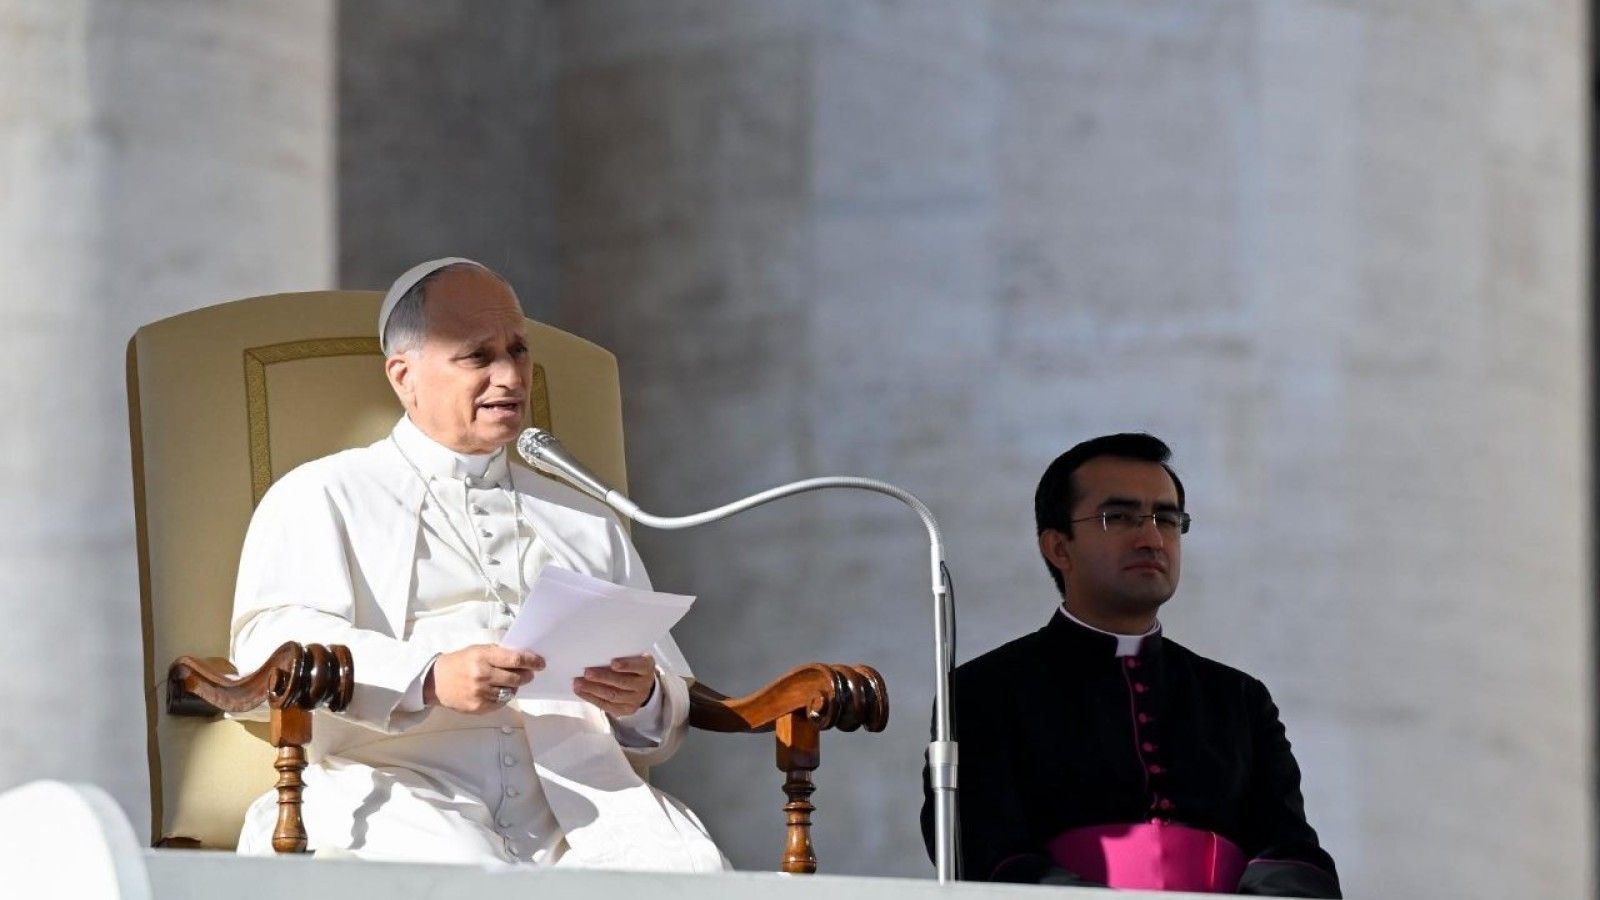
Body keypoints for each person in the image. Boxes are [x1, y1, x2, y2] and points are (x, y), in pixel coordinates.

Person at [230, 257, 725, 871]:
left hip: (578, 798)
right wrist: (428, 676)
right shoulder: (324, 494)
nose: (511, 375)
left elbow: (668, 706)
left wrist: (642, 694)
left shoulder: (582, 514)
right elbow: (268, 648)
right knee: (460, 874)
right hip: (398, 782)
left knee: (686, 872)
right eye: (477, 356)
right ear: (404, 376)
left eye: (517, 350)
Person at [921, 433, 1340, 896]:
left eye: (1167, 517)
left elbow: (1291, 850)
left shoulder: (1238, 699)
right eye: (1118, 517)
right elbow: (989, 854)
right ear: (1059, 547)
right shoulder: (985, 692)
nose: (1151, 537)